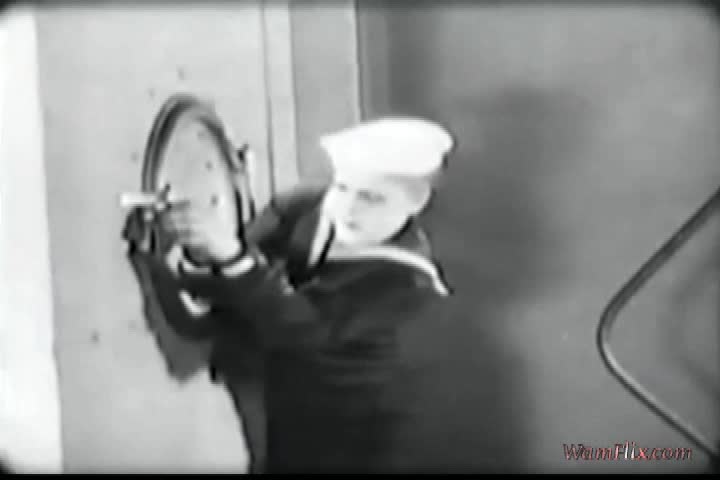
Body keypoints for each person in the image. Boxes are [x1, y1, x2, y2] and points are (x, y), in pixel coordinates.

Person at [123, 116, 455, 473]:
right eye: (342, 187)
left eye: (371, 198)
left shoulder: (409, 293)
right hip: (275, 418)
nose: (347, 208)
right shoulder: (307, 214)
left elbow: (301, 328)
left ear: (416, 201)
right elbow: (221, 300)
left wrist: (231, 257)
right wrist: (182, 249)